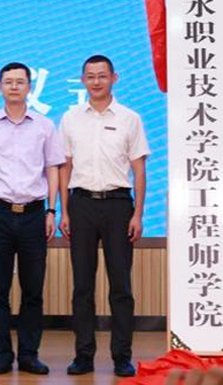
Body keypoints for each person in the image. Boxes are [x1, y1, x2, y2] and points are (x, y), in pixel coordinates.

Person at [58, 54, 149, 377]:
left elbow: (139, 169)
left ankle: (121, 356)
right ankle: (83, 356)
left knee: (121, 286)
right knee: (82, 286)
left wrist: (138, 214)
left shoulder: (130, 118)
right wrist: (64, 211)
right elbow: (65, 167)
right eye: (90, 76)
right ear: (83, 80)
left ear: (114, 78)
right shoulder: (70, 118)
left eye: (102, 76)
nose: (96, 81)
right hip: (81, 204)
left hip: (118, 206)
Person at [0, 62, 65, 375]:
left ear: (29, 87)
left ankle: (29, 355)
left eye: (20, 82)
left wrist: (52, 210)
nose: (14, 87)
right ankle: (2, 354)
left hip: (34, 214)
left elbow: (52, 169)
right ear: (0, 87)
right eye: (8, 82)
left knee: (33, 290)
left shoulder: (44, 125)